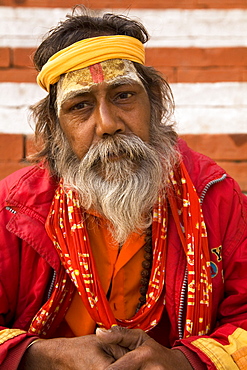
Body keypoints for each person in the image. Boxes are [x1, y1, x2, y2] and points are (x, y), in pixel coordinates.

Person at [1, 7, 247, 370]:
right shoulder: (15, 208)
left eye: (123, 96)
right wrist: (45, 355)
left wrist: (183, 362)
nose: (107, 124)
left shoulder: (214, 196)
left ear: (155, 106)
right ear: (56, 132)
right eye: (80, 106)